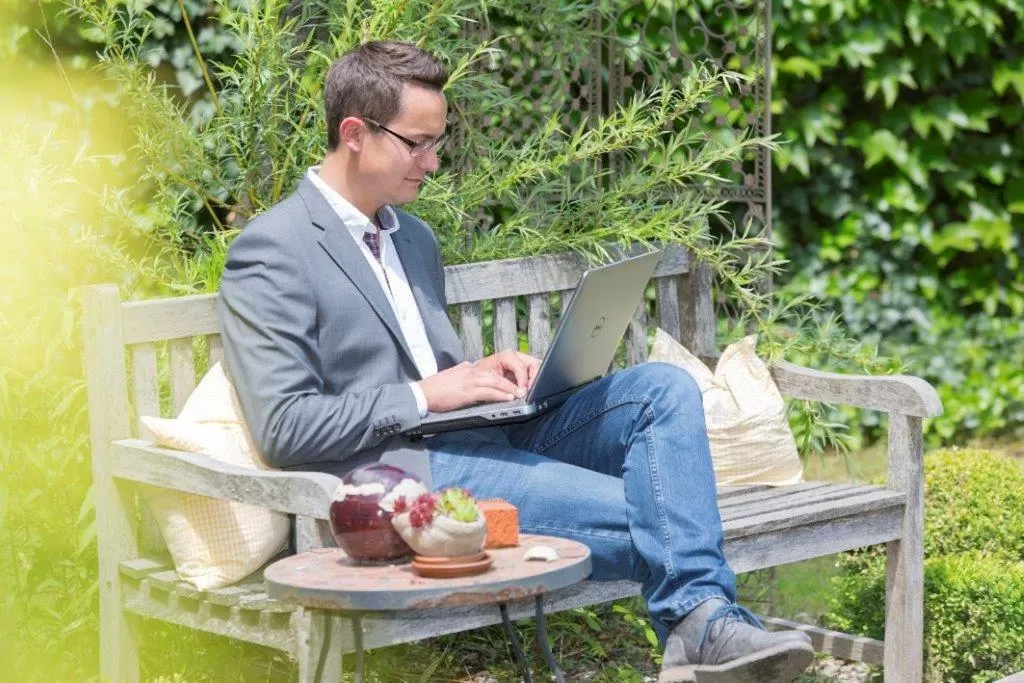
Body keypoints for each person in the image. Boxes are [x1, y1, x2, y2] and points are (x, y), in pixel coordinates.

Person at [218, 40, 813, 682]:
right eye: (417, 143)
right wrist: (429, 393)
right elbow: (285, 428)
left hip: (488, 433)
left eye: (436, 141)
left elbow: (420, 358)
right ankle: (701, 624)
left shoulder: (412, 237)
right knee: (667, 509)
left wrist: (486, 374)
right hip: (412, 473)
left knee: (662, 390)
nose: (434, 161)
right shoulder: (273, 250)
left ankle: (697, 627)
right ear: (355, 133)